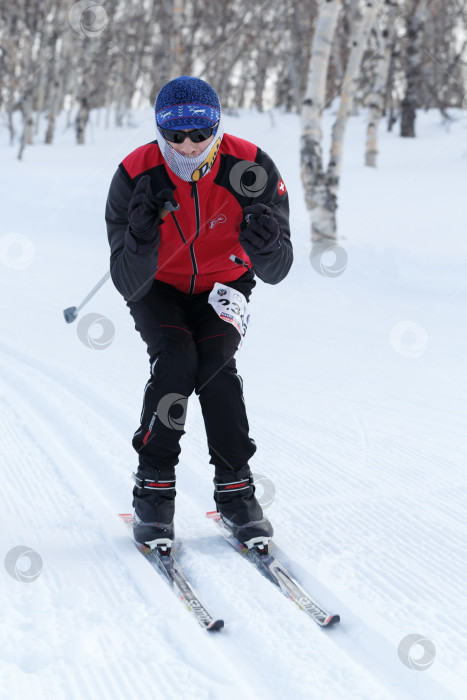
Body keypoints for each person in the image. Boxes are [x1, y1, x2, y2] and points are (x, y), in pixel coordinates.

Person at [105, 76, 293, 550]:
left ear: (216, 125)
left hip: (224, 284)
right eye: (174, 135)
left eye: (199, 133)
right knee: (175, 362)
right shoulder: (135, 173)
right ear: (159, 131)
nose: (187, 145)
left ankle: (235, 492)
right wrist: (142, 239)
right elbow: (128, 281)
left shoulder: (251, 166)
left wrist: (267, 245)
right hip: (158, 287)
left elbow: (279, 269)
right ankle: (153, 488)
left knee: (214, 369)